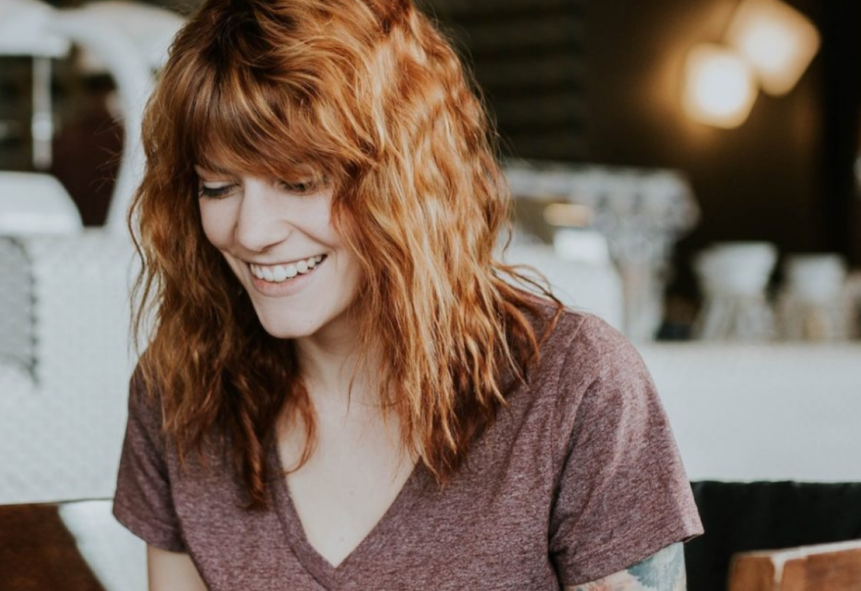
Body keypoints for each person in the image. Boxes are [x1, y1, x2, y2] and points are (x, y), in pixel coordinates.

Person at [112, 0, 702, 589]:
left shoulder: (575, 385)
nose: (251, 232)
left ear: (403, 181)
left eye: (299, 182)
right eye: (218, 187)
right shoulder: (179, 391)